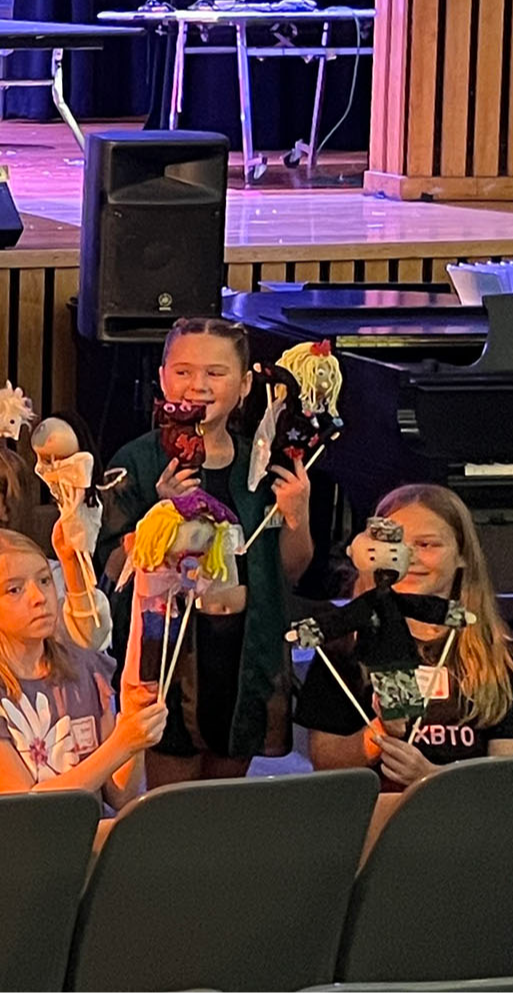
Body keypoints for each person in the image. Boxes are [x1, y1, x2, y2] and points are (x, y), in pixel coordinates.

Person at [95, 316, 313, 785]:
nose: (198, 386)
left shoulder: (265, 463)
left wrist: (298, 514)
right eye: (183, 371)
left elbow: (290, 570)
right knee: (168, 809)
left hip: (242, 657)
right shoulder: (137, 460)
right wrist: (161, 514)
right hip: (169, 658)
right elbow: (111, 569)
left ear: (245, 383)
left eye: (216, 373)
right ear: (162, 377)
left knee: (223, 805)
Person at [302, 484, 513, 788]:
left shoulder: (499, 654)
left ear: (462, 556)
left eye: (427, 545)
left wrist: (431, 777)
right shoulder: (346, 647)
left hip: (462, 819)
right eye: (396, 543)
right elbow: (324, 761)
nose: (409, 557)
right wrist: (379, 734)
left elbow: (510, 775)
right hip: (372, 816)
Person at [0, 530, 160, 808]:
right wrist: (120, 745)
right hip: (25, 849)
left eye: (44, 580)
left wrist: (133, 724)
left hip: (93, 842)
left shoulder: (86, 668)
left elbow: (120, 796)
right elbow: (26, 806)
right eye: (14, 589)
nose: (39, 597)